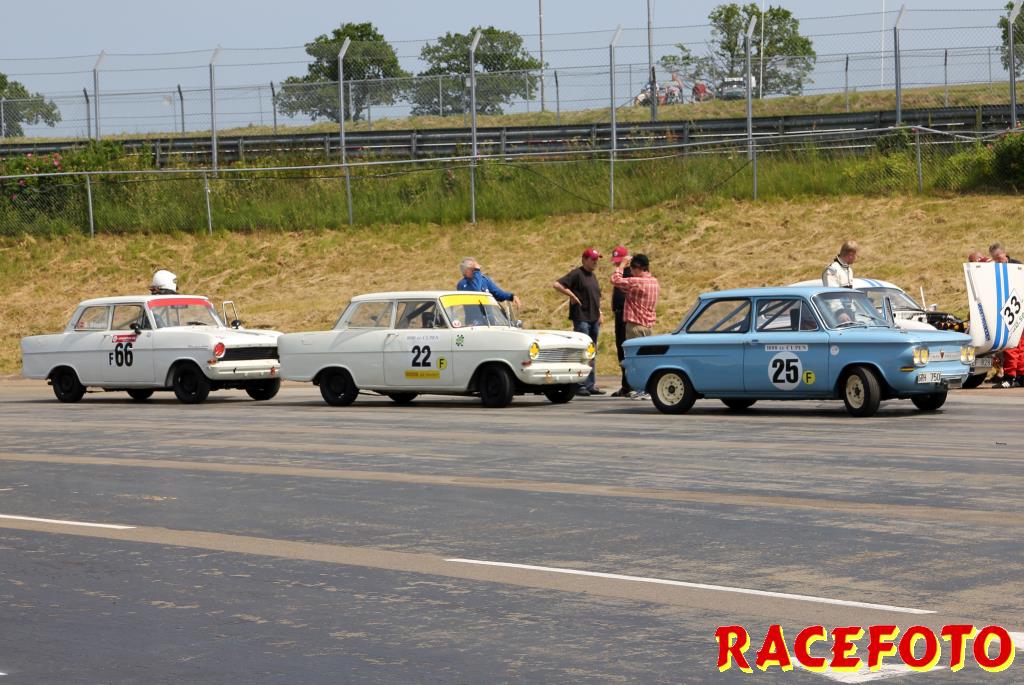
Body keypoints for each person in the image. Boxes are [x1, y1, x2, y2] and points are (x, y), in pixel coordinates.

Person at [554, 248, 605, 396]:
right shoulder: (577, 273)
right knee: (582, 351)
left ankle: (590, 384)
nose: (595, 262)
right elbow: (557, 284)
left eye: (596, 259)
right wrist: (571, 295)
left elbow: (596, 297)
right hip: (582, 318)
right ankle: (579, 384)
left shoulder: (593, 276)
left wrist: (600, 312)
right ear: (584, 259)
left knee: (591, 352)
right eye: (592, 259)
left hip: (593, 319)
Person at [611, 253, 660, 400]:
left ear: (638, 268)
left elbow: (615, 280)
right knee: (646, 360)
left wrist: (622, 264)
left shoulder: (636, 282)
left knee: (636, 361)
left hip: (635, 326)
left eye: (632, 269)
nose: (631, 271)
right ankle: (648, 389)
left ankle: (641, 389)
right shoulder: (654, 282)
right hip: (647, 327)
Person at [609, 246, 632, 397]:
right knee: (620, 350)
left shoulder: (630, 273)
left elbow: (615, 280)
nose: (617, 263)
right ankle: (625, 385)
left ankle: (631, 384)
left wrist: (622, 266)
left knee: (627, 350)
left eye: (620, 260)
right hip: (619, 314)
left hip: (627, 316)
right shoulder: (621, 271)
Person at [456, 258, 521, 307]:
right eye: (473, 269)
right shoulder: (462, 284)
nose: (476, 272)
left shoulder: (484, 280)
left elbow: (498, 293)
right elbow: (476, 291)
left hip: (489, 318)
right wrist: (477, 271)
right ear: (466, 271)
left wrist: (511, 296)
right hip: (473, 319)